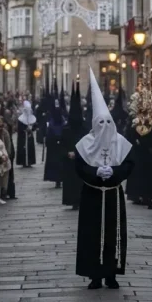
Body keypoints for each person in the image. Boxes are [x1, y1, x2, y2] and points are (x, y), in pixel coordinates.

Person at [75, 69, 134, 290]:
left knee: (113, 234)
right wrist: (95, 173)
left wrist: (115, 174)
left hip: (113, 194)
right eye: (100, 123)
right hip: (91, 193)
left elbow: (129, 164)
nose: (105, 128)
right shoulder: (84, 143)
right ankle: (94, 275)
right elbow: (79, 167)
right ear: (94, 123)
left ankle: (111, 274)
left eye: (108, 123)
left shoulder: (121, 142)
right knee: (92, 234)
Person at [62, 82, 87, 210]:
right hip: (69, 159)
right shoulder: (66, 129)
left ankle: (80, 200)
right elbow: (61, 144)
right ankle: (72, 200)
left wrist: (77, 153)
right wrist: (67, 152)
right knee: (71, 180)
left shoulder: (84, 129)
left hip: (81, 159)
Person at [43, 86, 65, 188]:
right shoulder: (57, 122)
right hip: (57, 147)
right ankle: (58, 179)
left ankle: (58, 179)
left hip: (56, 147)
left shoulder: (57, 122)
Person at [16, 100, 37, 167]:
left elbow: (35, 126)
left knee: (30, 149)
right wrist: (25, 130)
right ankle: (23, 162)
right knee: (23, 149)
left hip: (30, 137)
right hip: (23, 137)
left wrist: (31, 129)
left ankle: (30, 161)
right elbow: (19, 129)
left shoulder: (32, 118)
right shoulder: (20, 119)